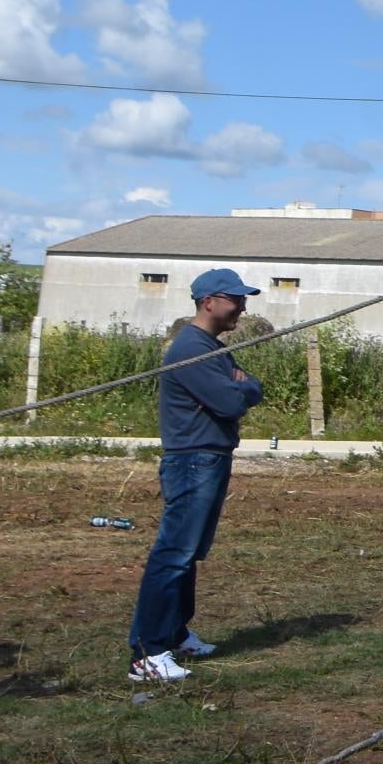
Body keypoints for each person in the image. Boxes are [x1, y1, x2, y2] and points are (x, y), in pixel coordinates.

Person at [127, 268, 267, 684]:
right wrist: (241, 388)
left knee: (188, 554)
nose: (243, 306)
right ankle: (149, 652)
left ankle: (175, 633)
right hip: (193, 460)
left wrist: (245, 387)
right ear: (209, 302)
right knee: (173, 555)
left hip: (209, 457)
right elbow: (231, 401)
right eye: (235, 299)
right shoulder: (191, 349)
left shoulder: (212, 348)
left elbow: (252, 388)